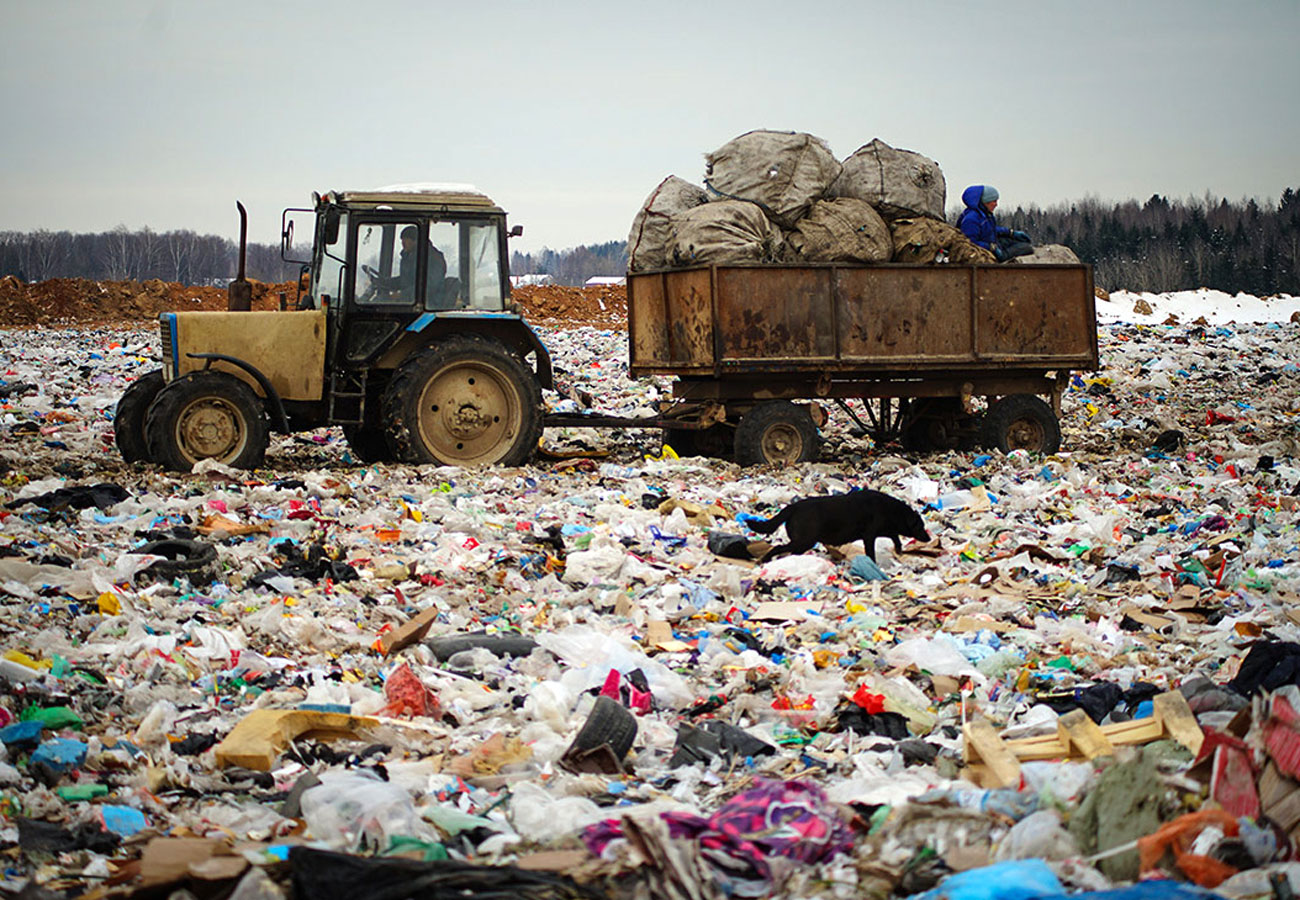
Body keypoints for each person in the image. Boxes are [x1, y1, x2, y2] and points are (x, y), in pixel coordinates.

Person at [957, 185, 1033, 261]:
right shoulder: (971, 220)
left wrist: (1011, 232)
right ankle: (1003, 257)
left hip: (993, 243)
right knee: (1026, 248)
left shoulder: (984, 214)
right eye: (994, 201)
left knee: (1021, 241)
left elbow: (990, 230)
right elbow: (969, 243)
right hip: (986, 252)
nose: (996, 204)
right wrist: (990, 247)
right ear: (985, 202)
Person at [392, 225, 447, 302]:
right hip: (409, 300)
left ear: (416, 240)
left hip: (429, 302)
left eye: (406, 240)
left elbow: (431, 285)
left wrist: (402, 294)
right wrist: (384, 282)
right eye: (402, 240)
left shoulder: (433, 258)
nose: (403, 243)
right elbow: (405, 280)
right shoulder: (409, 257)